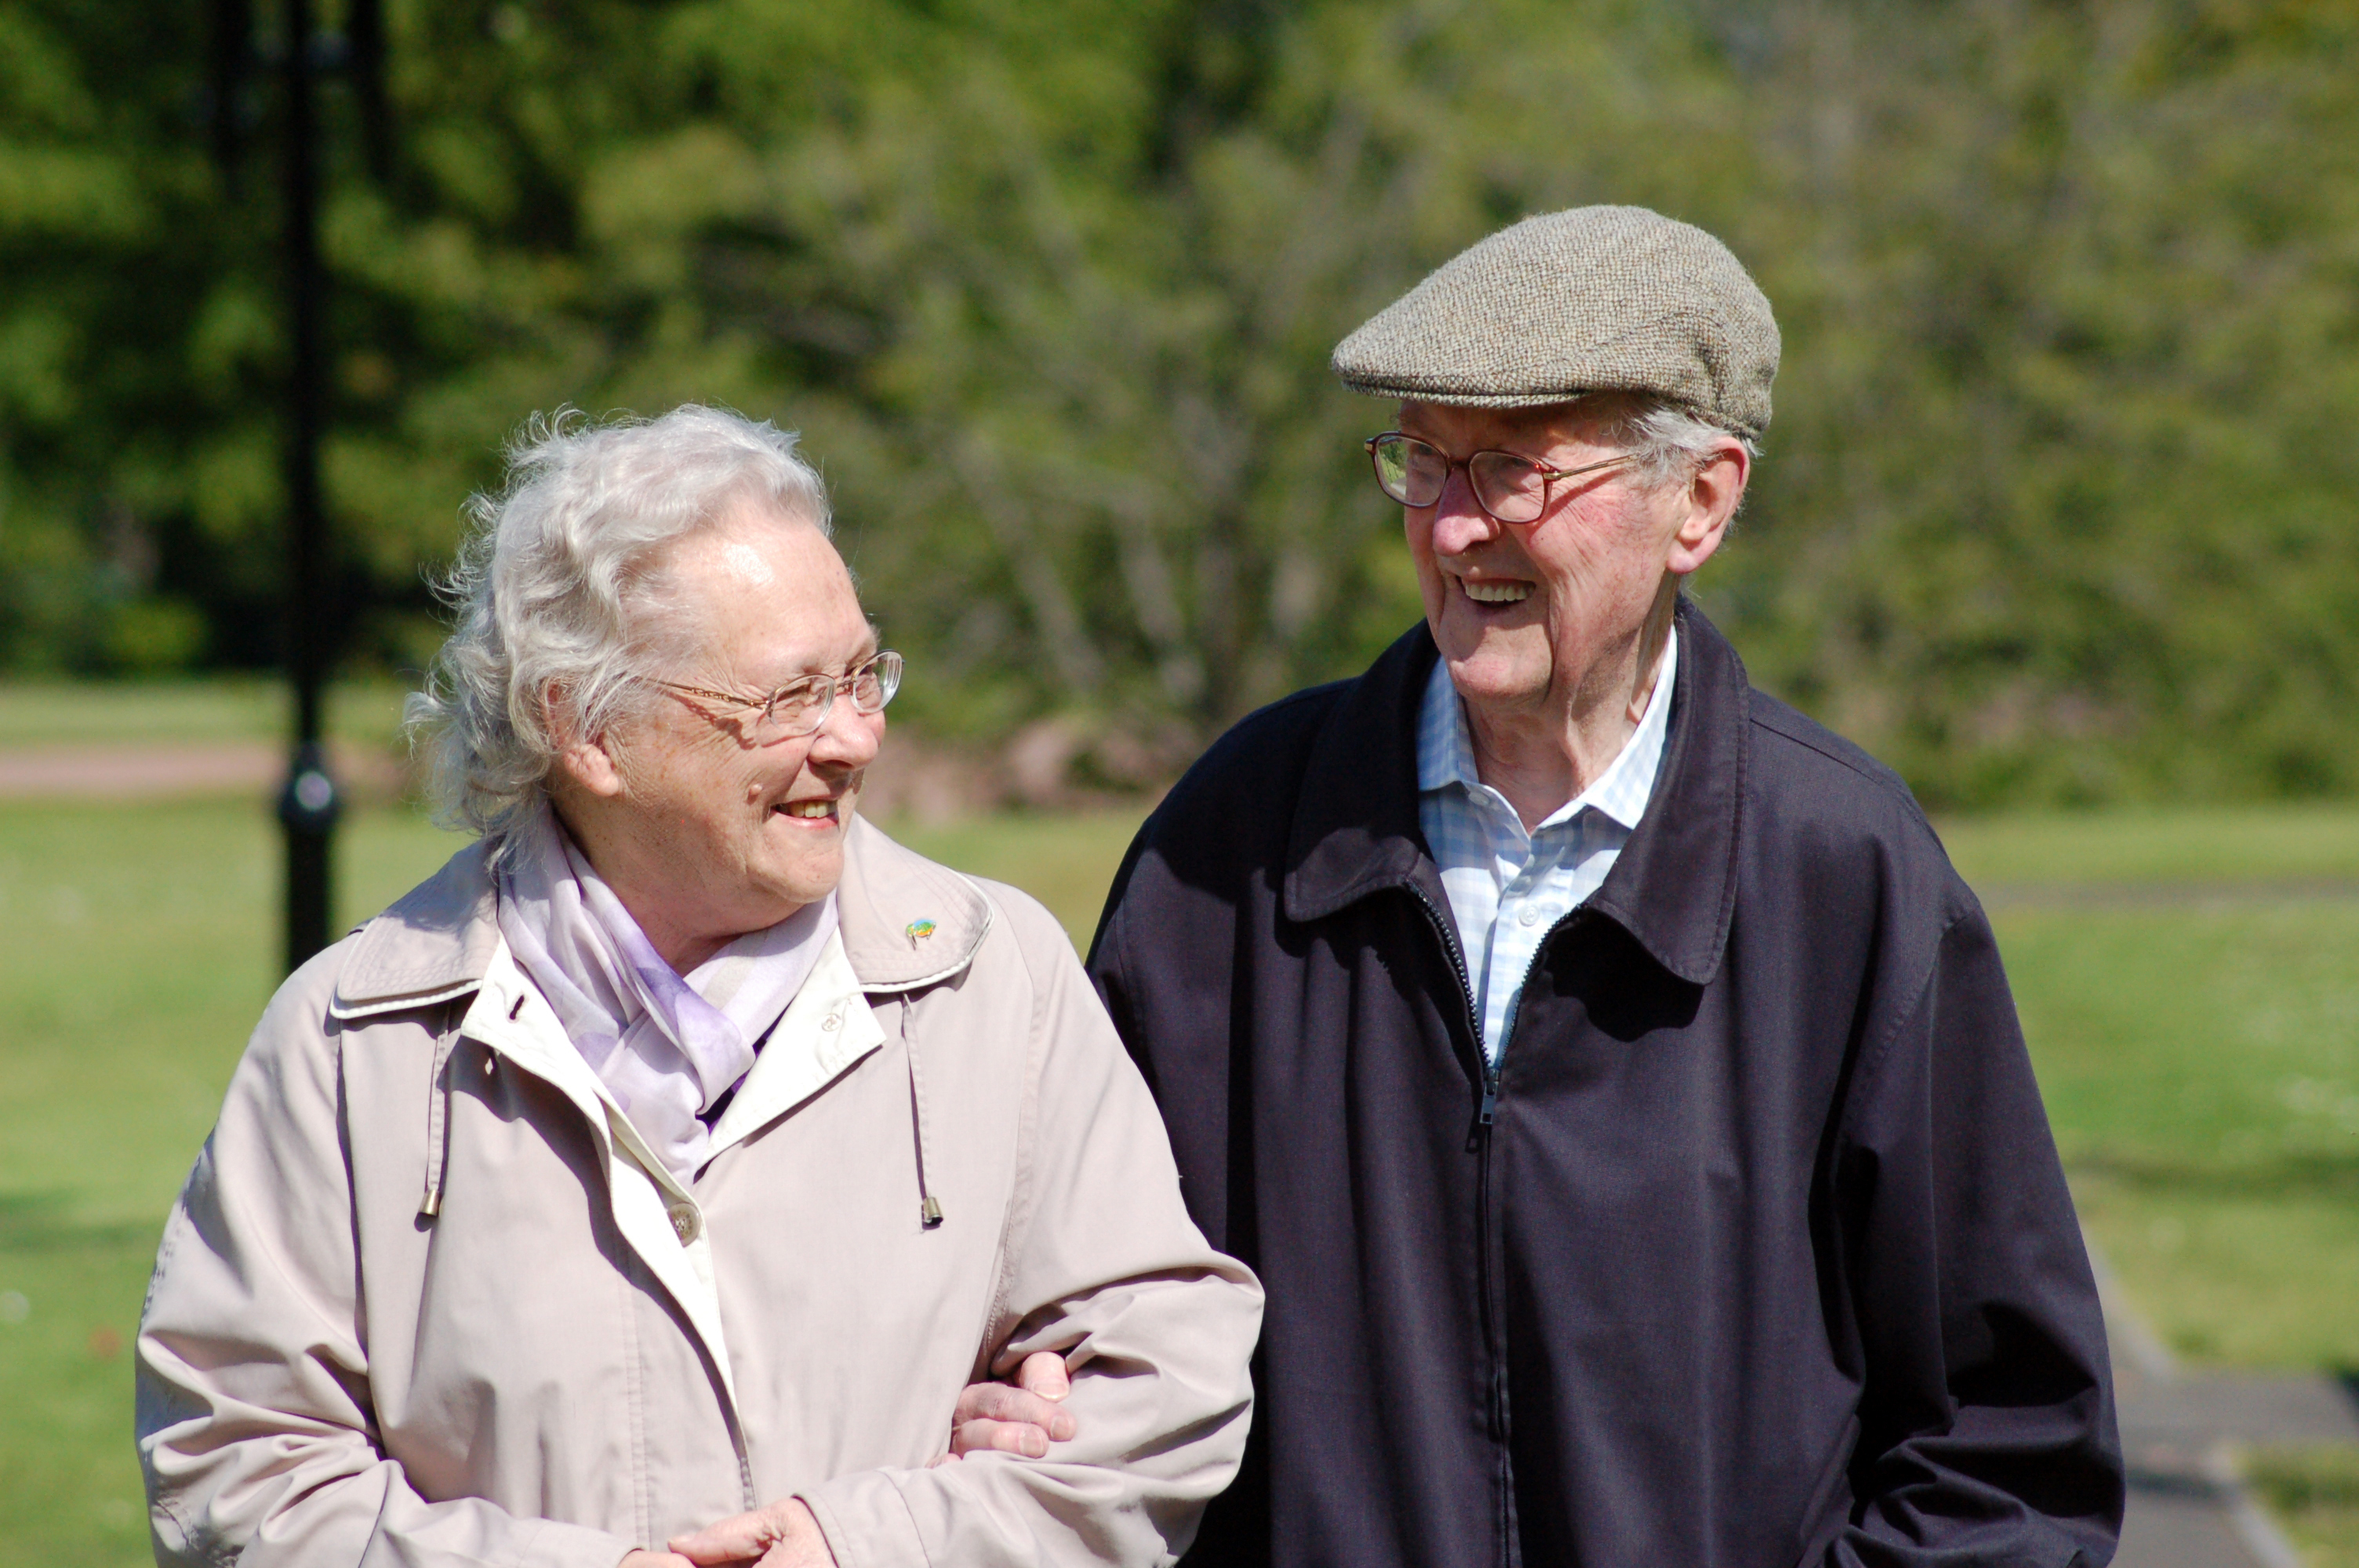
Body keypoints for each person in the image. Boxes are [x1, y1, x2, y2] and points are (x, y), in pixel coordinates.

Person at [976, 206, 2125, 1563]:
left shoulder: (1844, 873)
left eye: (1516, 472)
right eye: (1427, 462)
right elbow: (1073, 1302)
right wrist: (1035, 1401)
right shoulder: (1237, 839)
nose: (1458, 532)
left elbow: (2007, 1456)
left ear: (1700, 500)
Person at [134, 405, 1262, 1568]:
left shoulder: (991, 977)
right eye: (788, 699)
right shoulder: (357, 1035)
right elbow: (235, 1464)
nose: (854, 740)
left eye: (863, 676)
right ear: (588, 731)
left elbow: (1161, 1369)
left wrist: (875, 1545)